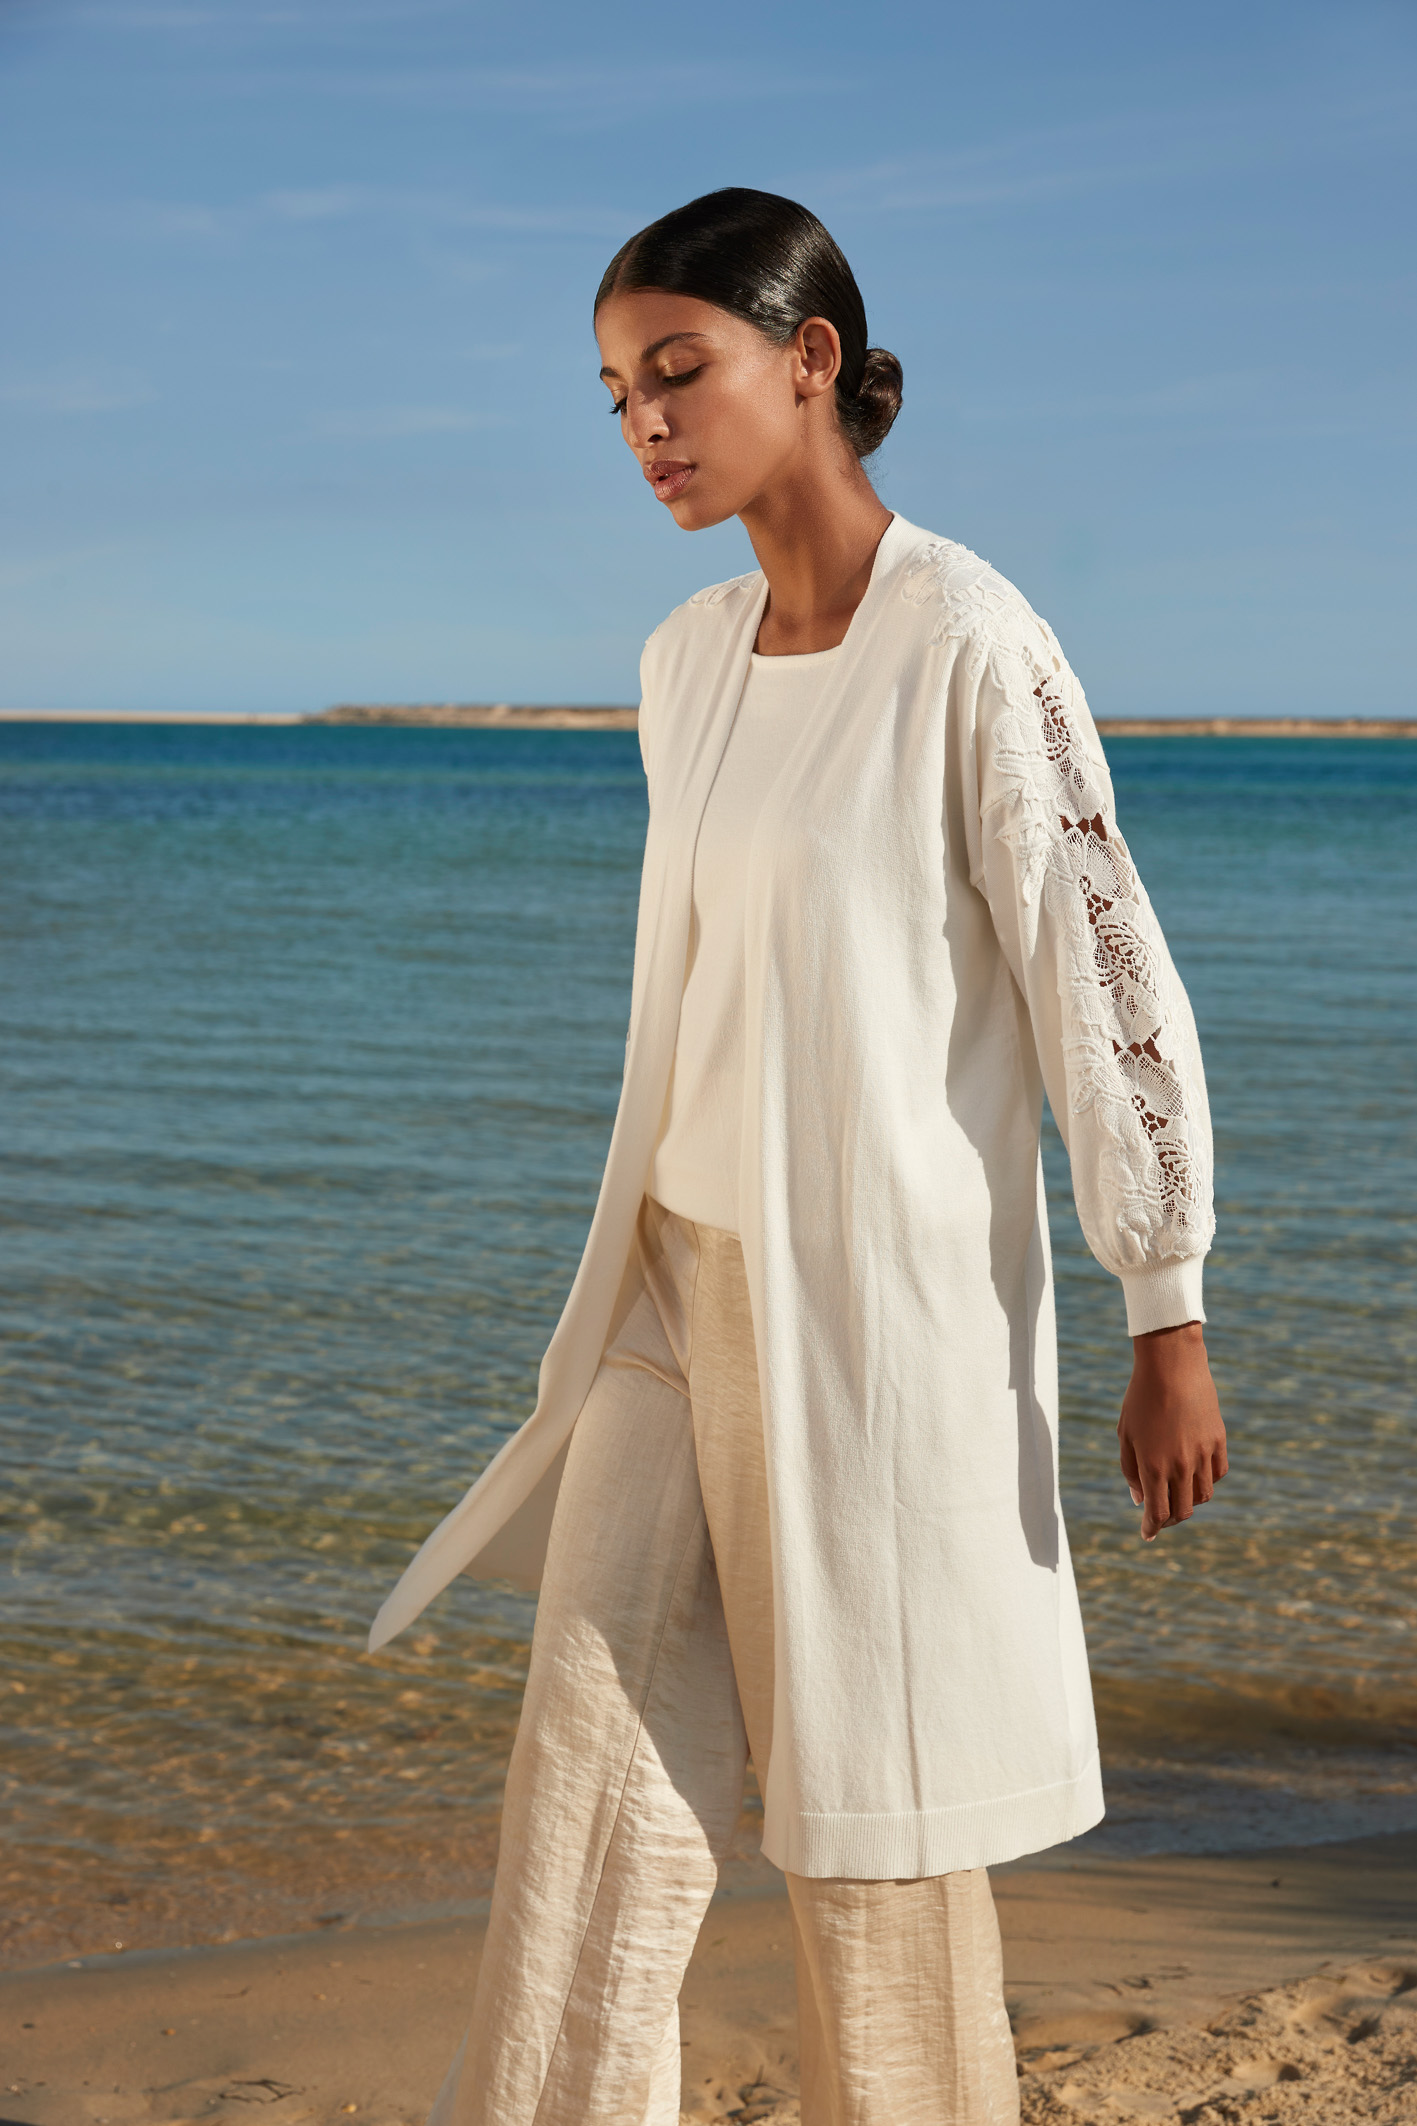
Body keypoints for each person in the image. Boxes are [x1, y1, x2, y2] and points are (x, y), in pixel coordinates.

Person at [370, 187, 1229, 2126]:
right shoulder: (682, 659)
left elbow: (1099, 965)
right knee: (587, 1782)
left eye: (677, 372)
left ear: (811, 358)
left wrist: (1162, 1305)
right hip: (669, 1289)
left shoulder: (971, 641)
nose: (644, 425)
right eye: (615, 394)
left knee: (870, 1832)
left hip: (871, 1325)